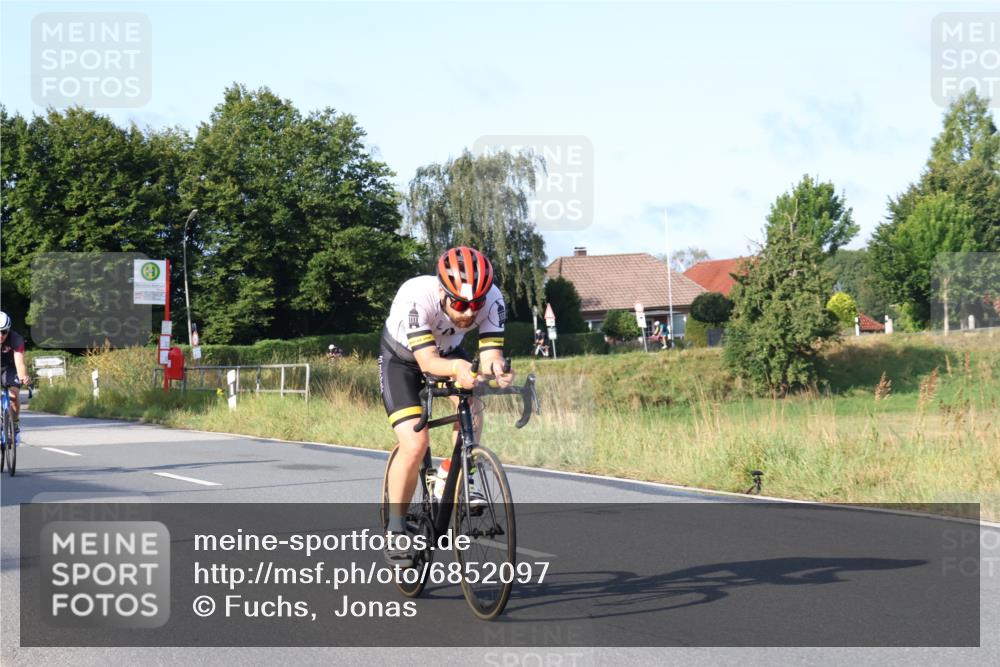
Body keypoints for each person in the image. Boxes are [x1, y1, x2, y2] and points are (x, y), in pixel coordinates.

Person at [379, 246, 513, 566]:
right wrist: (457, 370)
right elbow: (426, 361)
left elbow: (491, 355)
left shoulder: (492, 299)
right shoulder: (415, 297)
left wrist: (498, 370)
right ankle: (396, 529)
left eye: (475, 304)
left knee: (474, 401)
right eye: (460, 303)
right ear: (442, 290)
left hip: (450, 354)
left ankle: (454, 474)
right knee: (414, 443)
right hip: (402, 361)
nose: (468, 312)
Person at [0, 312, 30, 444]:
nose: (1, 335)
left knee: (14, 393)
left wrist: (23, 376)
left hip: (10, 367)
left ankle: (15, 426)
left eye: (4, 332)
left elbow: (20, 363)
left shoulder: (15, 339)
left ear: (9, 330)